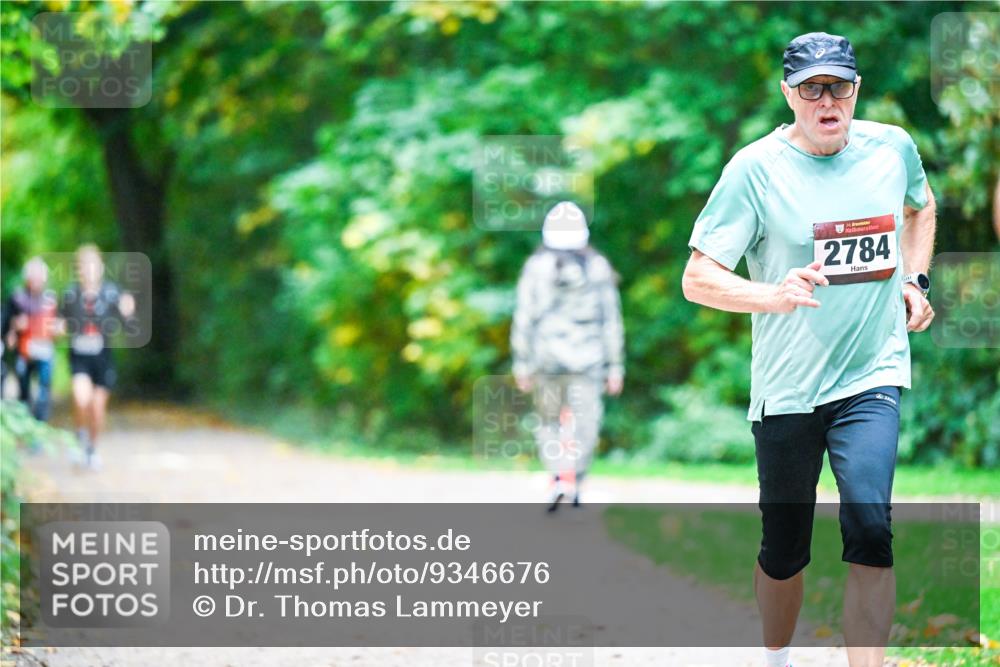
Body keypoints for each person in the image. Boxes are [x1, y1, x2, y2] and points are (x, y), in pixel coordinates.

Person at [681, 33, 936, 667]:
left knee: (872, 529)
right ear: (788, 95)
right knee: (784, 548)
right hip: (789, 387)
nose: (828, 101)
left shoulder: (892, 149)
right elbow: (698, 277)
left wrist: (914, 279)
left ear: (856, 89)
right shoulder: (755, 168)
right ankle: (775, 656)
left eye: (839, 86)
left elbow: (921, 208)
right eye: (812, 88)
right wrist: (773, 294)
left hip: (871, 373)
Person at [511, 201, 625, 511]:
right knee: (587, 422)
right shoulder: (599, 267)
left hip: (545, 359)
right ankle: (575, 478)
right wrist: (615, 366)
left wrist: (522, 363)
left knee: (548, 422)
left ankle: (557, 477)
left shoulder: (535, 268)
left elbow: (525, 317)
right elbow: (610, 319)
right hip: (588, 360)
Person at [59, 245, 135, 470]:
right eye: (84, 266)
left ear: (100, 268)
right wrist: (59, 328)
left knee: (97, 407)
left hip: (103, 357)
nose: (89, 271)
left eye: (93, 266)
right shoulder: (71, 295)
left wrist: (128, 312)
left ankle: (92, 449)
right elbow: (59, 322)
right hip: (79, 356)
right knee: (82, 399)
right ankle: (79, 434)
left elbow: (128, 326)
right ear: (79, 270)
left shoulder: (112, 293)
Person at [9, 257, 60, 424]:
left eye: (39, 276)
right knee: (24, 391)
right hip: (24, 352)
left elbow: (59, 323)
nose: (36, 280)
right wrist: (14, 328)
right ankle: (25, 426)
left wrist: (57, 329)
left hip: (45, 351)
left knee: (44, 389)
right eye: (33, 276)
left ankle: (40, 424)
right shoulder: (17, 298)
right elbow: (7, 322)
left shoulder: (50, 299)